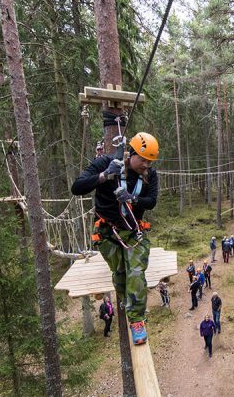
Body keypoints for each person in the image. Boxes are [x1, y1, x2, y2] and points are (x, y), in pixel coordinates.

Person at [72, 132, 159, 345]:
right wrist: (104, 176)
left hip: (133, 233)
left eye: (150, 161)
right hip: (108, 234)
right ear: (132, 153)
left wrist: (133, 198)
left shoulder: (149, 175)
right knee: (120, 274)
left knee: (136, 272)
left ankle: (137, 319)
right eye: (143, 159)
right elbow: (77, 187)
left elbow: (151, 201)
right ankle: (126, 302)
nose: (146, 165)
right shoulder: (106, 162)